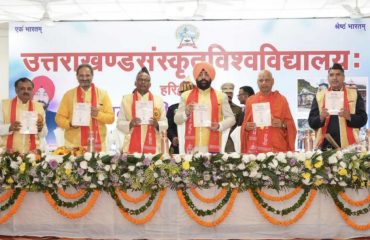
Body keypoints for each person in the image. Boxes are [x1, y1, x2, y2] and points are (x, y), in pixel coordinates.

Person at [174, 62, 235, 153]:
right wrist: (185, 113)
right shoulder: (185, 96)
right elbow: (176, 119)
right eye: (200, 74)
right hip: (192, 147)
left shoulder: (221, 96)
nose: (203, 77)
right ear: (196, 77)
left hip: (212, 146)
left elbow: (231, 119)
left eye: (206, 74)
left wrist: (219, 126)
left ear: (211, 77)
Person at [55, 64, 114, 152]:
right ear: (77, 77)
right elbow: (58, 119)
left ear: (92, 76)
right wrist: (70, 124)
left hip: (98, 145)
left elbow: (111, 119)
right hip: (73, 145)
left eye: (87, 75)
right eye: (81, 75)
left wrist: (98, 114)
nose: (84, 78)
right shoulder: (68, 95)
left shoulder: (103, 94)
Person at [308, 63, 367, 150]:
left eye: (338, 74)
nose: (334, 78)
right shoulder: (319, 96)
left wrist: (349, 117)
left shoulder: (354, 94)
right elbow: (311, 122)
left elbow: (363, 119)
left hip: (349, 148)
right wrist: (321, 117)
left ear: (343, 77)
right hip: (325, 147)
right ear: (328, 78)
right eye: (331, 75)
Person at [241, 70, 296, 153]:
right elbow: (244, 125)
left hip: (277, 148)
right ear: (257, 82)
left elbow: (291, 125)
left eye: (267, 80)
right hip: (256, 148)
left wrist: (282, 124)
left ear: (272, 81)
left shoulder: (281, 100)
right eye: (261, 80)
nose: (264, 83)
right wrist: (246, 127)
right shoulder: (250, 101)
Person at [117, 66, 168, 154]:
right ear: (135, 83)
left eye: (146, 80)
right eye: (140, 79)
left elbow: (165, 123)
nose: (143, 82)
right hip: (131, 147)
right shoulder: (126, 99)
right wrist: (130, 123)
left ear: (150, 84)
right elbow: (119, 123)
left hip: (154, 147)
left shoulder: (158, 100)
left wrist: (157, 124)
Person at [0, 77, 47, 153]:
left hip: (32, 155)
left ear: (32, 91)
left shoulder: (39, 106)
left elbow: (44, 134)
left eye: (29, 89)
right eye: (22, 88)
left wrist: (40, 129)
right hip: (8, 155)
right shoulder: (4, 105)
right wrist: (9, 127)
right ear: (16, 90)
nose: (26, 91)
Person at [166, 80, 194, 154]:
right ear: (179, 93)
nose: (185, 94)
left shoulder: (199, 108)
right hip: (177, 146)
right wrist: (173, 137)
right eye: (183, 92)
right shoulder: (172, 108)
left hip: (195, 145)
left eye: (188, 91)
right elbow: (169, 127)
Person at [32, 75, 57, 145]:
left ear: (50, 97)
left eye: (45, 94)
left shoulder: (57, 118)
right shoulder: (24, 115)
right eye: (37, 94)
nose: (41, 98)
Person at [221, 82, 243, 152]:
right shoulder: (216, 107)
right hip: (217, 140)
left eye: (230, 93)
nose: (228, 95)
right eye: (226, 93)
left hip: (231, 144)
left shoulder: (238, 109)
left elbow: (239, 128)